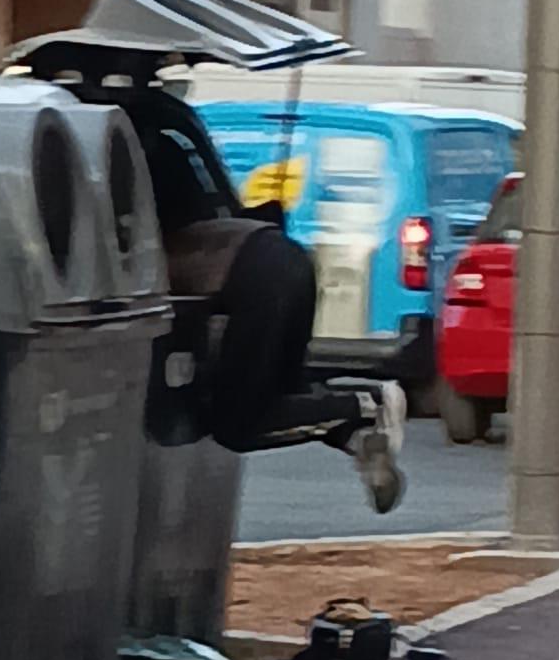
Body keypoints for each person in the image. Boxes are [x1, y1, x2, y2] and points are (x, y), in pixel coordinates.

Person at [139, 117, 405, 513]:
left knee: (237, 425)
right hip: (284, 260)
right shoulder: (174, 153)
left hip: (260, 282)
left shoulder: (148, 232)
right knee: (279, 398)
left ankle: (366, 403)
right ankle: (355, 432)